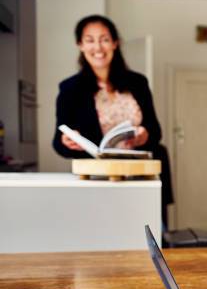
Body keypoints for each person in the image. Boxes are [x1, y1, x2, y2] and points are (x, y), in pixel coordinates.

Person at [52, 14, 173, 226]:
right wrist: (68, 142)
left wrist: (144, 135)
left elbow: (156, 130)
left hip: (142, 175)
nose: (98, 47)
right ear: (80, 45)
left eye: (105, 39)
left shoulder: (138, 83)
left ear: (115, 43)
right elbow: (58, 143)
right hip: (100, 178)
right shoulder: (70, 89)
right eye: (90, 40)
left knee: (151, 234)